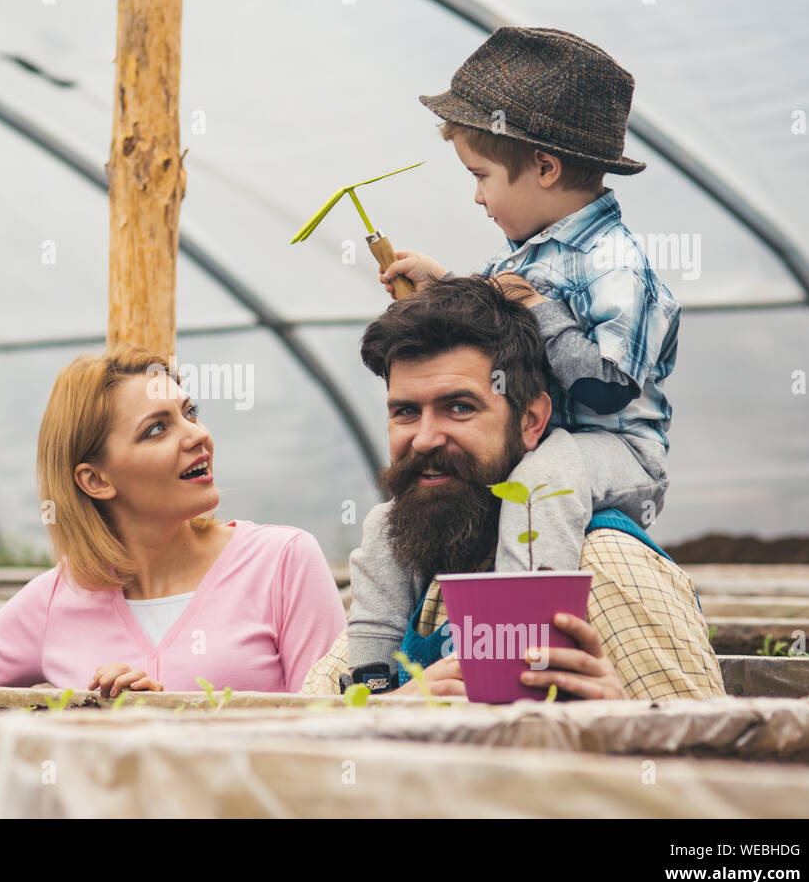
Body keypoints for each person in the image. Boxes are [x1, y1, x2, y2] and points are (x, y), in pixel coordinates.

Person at [0, 345, 345, 696]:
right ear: (96, 481)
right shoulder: (59, 599)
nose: (196, 435)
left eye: (190, 413)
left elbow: (327, 726)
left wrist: (173, 720)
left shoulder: (283, 561)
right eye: (157, 428)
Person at [302, 276, 723, 701]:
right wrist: (386, 708)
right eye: (406, 412)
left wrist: (614, 719)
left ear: (531, 420)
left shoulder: (604, 570)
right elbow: (304, 727)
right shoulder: (412, 570)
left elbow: (712, 756)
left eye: (459, 407)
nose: (425, 438)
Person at [381, 26, 678, 584]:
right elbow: (493, 321)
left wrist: (536, 305)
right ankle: (376, 661)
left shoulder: (617, 267)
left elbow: (607, 385)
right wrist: (441, 284)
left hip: (612, 450)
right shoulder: (521, 256)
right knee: (401, 512)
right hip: (537, 442)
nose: (477, 196)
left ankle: (525, 636)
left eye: (481, 176)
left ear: (544, 168)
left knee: (543, 485)